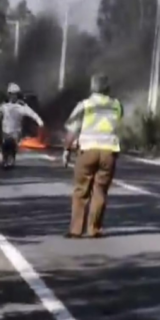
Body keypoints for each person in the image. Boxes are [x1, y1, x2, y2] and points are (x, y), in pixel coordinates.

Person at [62, 73, 124, 239]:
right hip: (109, 152)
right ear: (107, 87)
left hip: (88, 150)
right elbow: (118, 124)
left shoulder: (85, 105)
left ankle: (76, 230)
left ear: (92, 87)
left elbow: (72, 129)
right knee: (100, 191)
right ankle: (94, 229)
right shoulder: (117, 105)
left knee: (81, 190)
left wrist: (67, 149)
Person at [0, 83, 44, 168]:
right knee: (5, 145)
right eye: (11, 94)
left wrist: (40, 122)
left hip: (16, 132)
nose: (13, 97)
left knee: (12, 145)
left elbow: (32, 114)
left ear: (18, 95)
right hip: (5, 130)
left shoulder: (21, 107)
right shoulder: (4, 106)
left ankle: (11, 159)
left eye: (15, 95)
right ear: (8, 95)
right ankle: (5, 159)